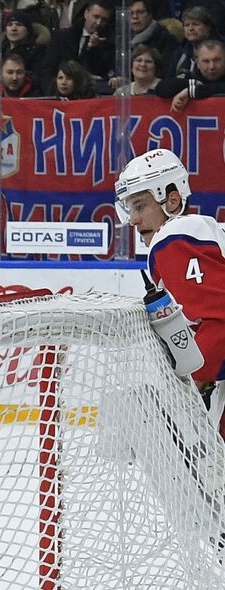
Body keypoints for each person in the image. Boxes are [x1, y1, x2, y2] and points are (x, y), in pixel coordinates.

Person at [116, 148, 225, 435]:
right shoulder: (202, 232)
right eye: (130, 209)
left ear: (172, 199)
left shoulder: (175, 236)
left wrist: (195, 387)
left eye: (140, 206)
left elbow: (219, 319)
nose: (133, 220)